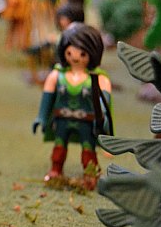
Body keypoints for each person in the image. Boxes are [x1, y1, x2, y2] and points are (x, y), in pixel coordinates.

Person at [32, 22, 113, 189]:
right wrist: (41, 117)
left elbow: (104, 103)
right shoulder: (57, 75)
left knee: (88, 149)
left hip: (87, 122)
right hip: (62, 119)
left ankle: (90, 175)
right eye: (70, 52)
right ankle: (55, 170)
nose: (75, 58)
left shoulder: (98, 79)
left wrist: (104, 120)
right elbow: (47, 97)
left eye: (82, 53)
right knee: (59, 146)